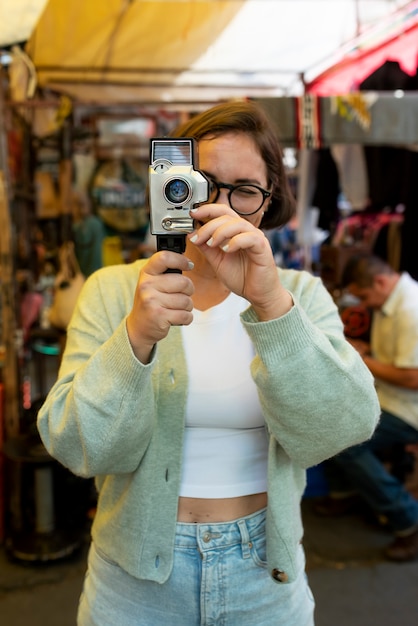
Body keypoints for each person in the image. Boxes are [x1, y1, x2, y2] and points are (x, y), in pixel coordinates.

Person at [37, 101, 379, 626]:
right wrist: (135, 338)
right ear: (171, 186)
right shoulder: (115, 291)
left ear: (267, 203)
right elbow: (77, 446)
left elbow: (343, 427)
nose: (220, 205)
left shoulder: (299, 295)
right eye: (202, 183)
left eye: (244, 190)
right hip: (133, 576)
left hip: (264, 572)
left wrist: (272, 307)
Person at [316, 253, 418, 562]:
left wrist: (363, 359)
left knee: (347, 438)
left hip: (409, 408)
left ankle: (408, 520)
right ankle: (346, 491)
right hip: (391, 397)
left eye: (364, 295)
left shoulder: (410, 309)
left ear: (381, 281)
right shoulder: (392, 302)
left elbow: (413, 378)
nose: (364, 302)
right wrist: (367, 352)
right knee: (325, 417)